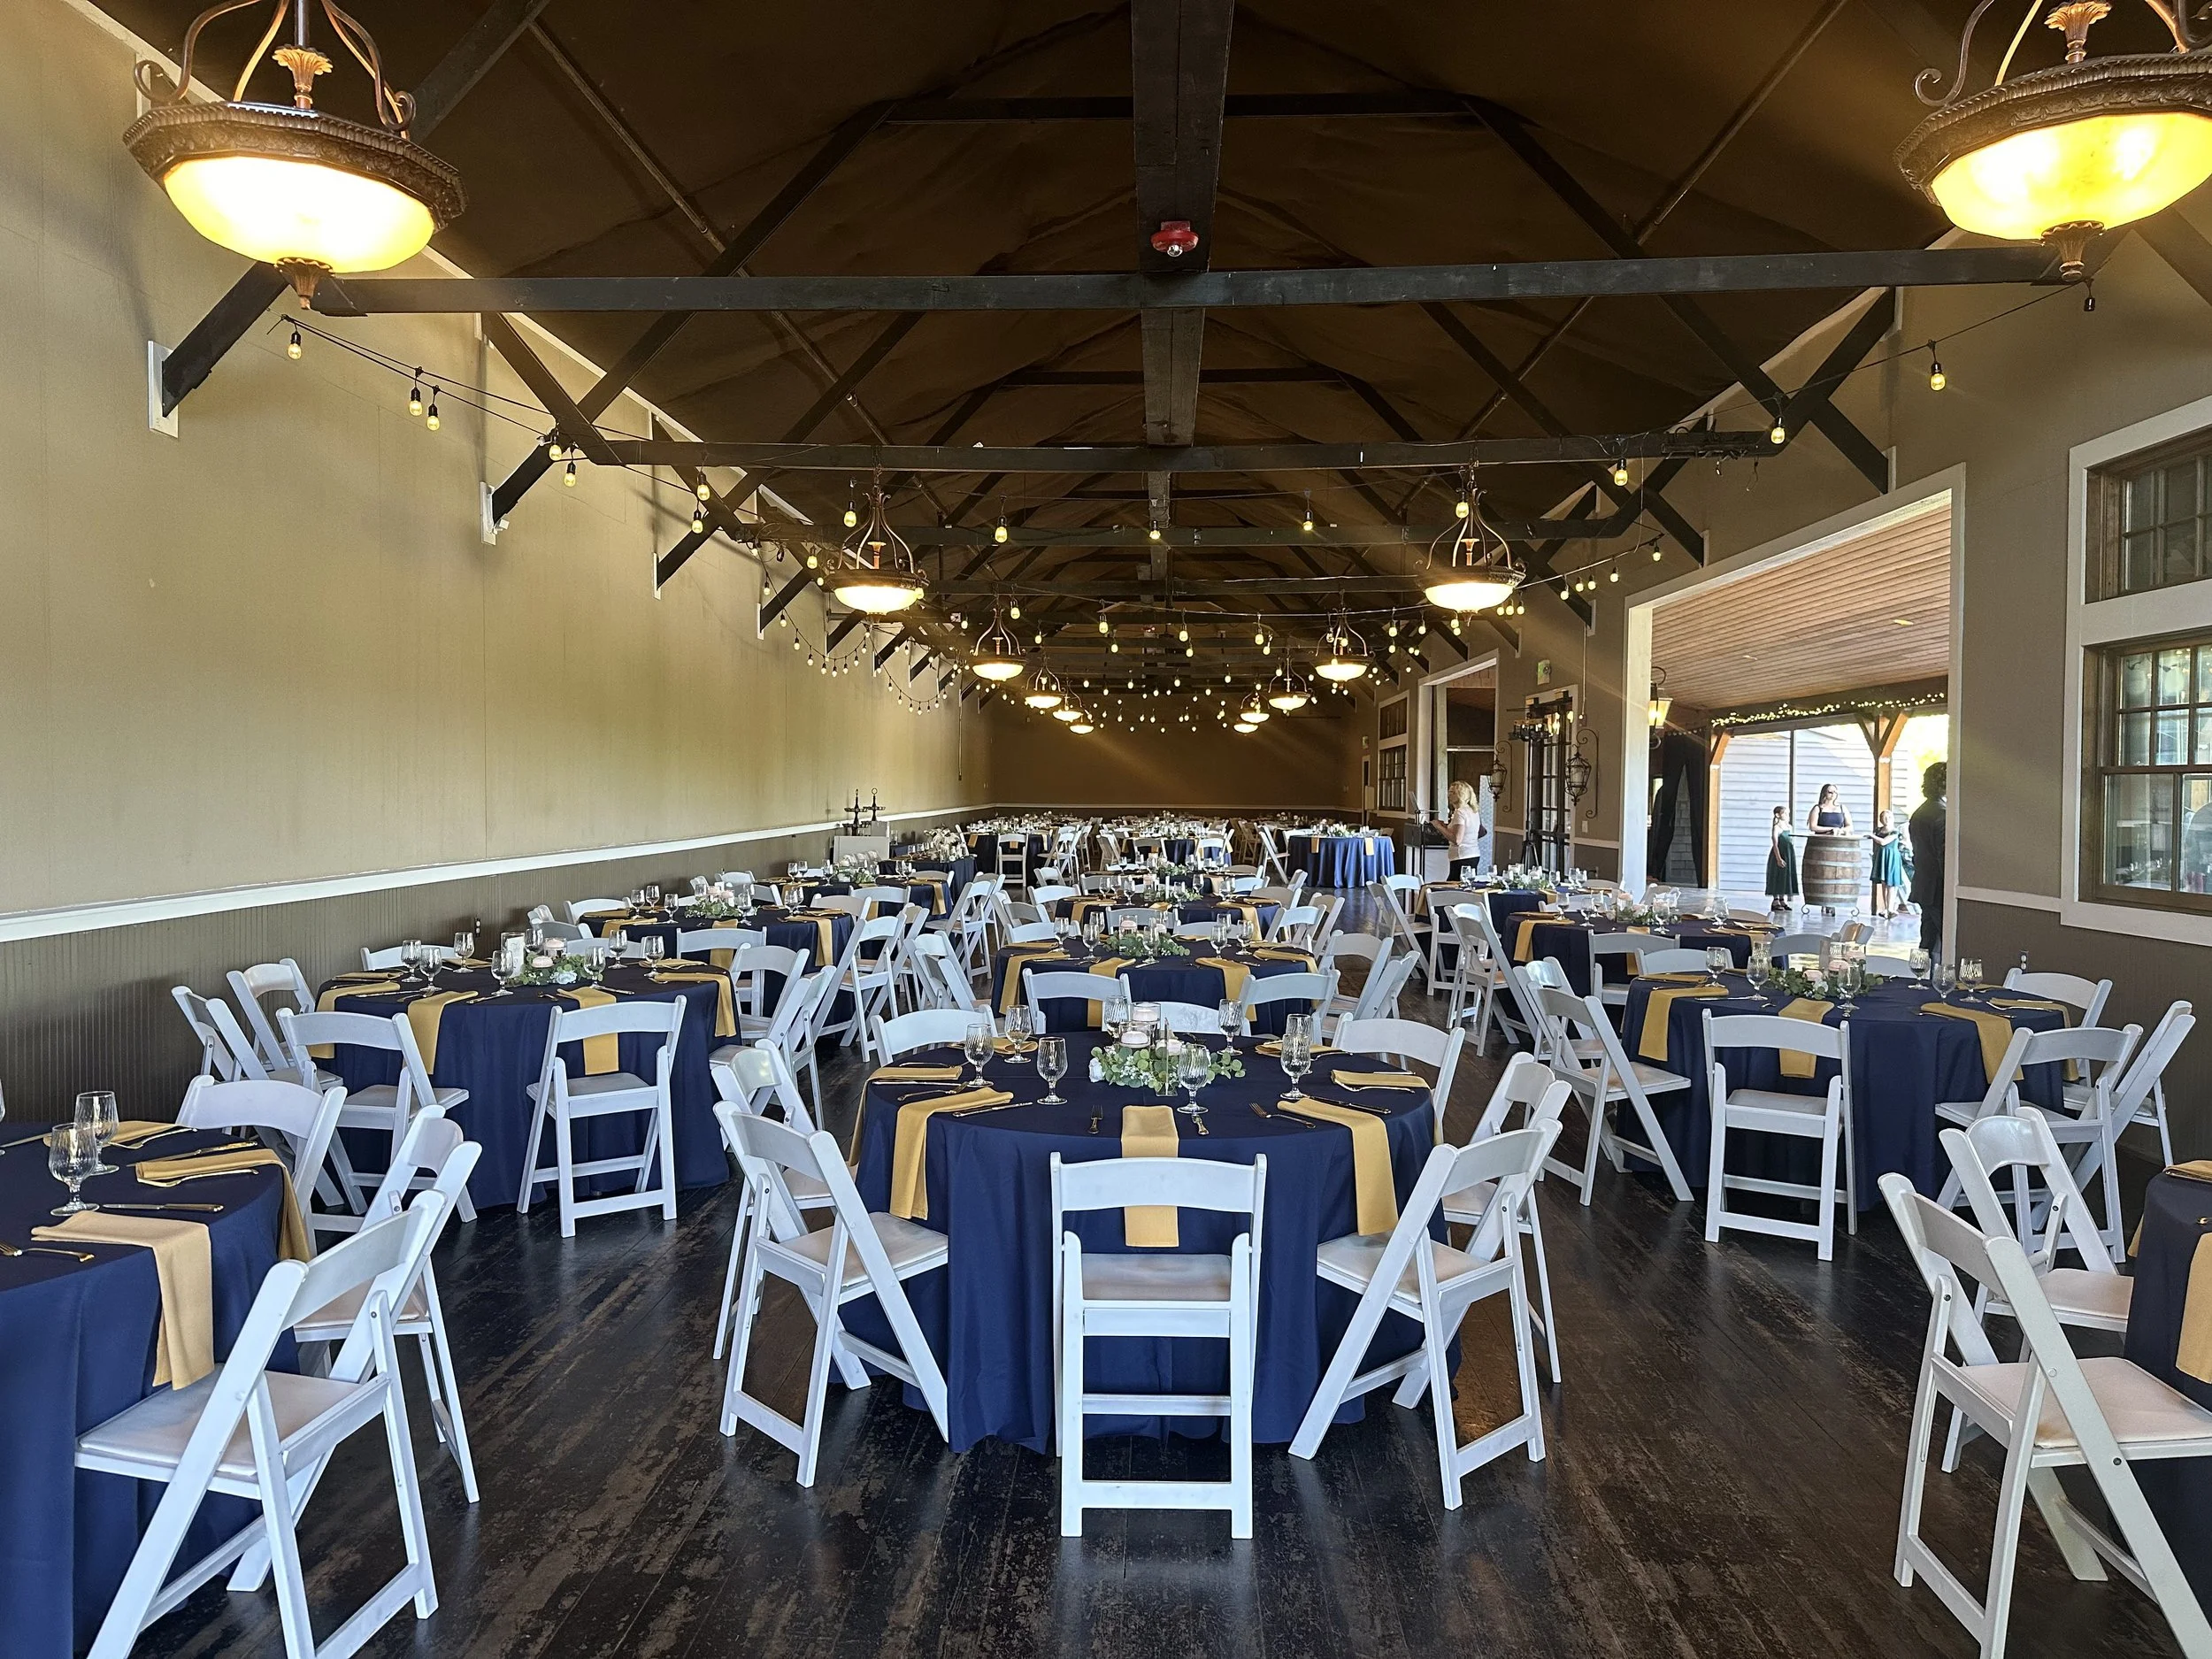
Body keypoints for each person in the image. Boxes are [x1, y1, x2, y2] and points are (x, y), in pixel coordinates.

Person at [1909, 762, 1947, 962]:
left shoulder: (1920, 813)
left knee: (1927, 941)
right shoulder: (1942, 815)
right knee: (1946, 940)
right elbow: (1943, 856)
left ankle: (1919, 979)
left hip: (1923, 883)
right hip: (1938, 887)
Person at [1432, 780, 1486, 880]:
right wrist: (1445, 827)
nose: (1449, 795)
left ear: (1461, 795)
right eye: (1449, 792)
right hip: (1473, 854)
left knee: (1454, 888)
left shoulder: (1460, 812)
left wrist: (1438, 827)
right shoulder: (1472, 811)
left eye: (1452, 792)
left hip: (1462, 856)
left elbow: (1457, 839)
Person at [1870, 807, 1906, 917]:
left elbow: (1884, 842)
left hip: (1891, 857)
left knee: (1891, 884)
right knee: (1884, 883)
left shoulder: (1895, 831)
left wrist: (1871, 835)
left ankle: (1891, 908)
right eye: (1884, 817)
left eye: (1889, 817)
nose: (1886, 819)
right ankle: (1886, 908)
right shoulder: (1878, 830)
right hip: (1881, 857)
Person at [1764, 805, 1799, 909]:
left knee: (1786, 876)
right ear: (1778, 815)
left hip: (1788, 853)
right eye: (1784, 813)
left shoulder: (1789, 827)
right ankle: (1775, 900)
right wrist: (1779, 858)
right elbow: (1775, 843)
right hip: (1779, 853)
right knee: (1777, 875)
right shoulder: (1776, 828)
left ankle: (1782, 899)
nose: (1787, 815)